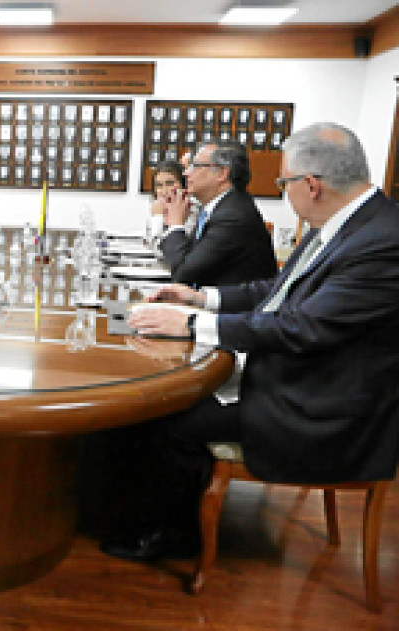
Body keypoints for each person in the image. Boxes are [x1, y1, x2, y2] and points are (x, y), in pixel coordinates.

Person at [101, 122, 399, 562]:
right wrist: (201, 298)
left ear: (311, 185)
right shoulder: (344, 223)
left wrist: (190, 324)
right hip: (302, 375)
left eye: (283, 183)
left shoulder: (381, 242)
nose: (282, 192)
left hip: (320, 406)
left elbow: (301, 327)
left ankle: (173, 535)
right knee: (168, 402)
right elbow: (276, 292)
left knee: (167, 417)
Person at [157, 141, 277, 286]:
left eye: (195, 166)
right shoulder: (220, 207)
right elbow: (190, 260)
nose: (186, 173)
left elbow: (184, 273)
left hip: (230, 307)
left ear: (221, 173)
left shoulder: (232, 217)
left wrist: (175, 225)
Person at [147, 160, 186, 240]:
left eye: (170, 183)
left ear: (183, 185)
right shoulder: (156, 207)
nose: (164, 191)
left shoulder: (192, 210)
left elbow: (164, 247)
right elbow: (151, 243)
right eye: (159, 185)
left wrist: (158, 217)